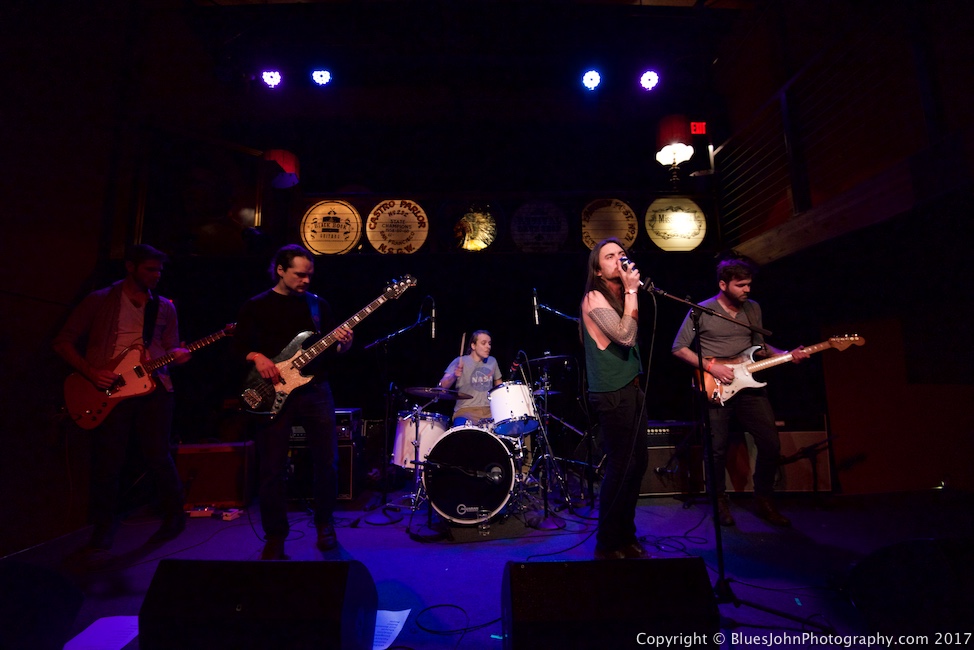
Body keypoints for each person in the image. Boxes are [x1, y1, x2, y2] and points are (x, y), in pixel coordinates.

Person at [53, 244, 190, 550]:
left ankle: (174, 516)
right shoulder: (99, 299)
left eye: (159, 271)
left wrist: (178, 356)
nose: (156, 276)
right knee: (109, 459)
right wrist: (91, 372)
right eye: (149, 269)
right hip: (110, 387)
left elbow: (170, 348)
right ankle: (102, 528)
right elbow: (63, 342)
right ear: (130, 267)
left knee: (158, 453)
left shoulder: (165, 306)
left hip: (153, 386)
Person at [233, 244, 353, 560]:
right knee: (272, 467)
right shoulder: (255, 306)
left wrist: (343, 345)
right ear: (281, 270)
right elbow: (238, 347)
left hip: (316, 390)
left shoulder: (318, 306)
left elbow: (330, 351)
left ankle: (325, 524)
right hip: (271, 392)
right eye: (300, 274)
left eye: (310, 275)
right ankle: (275, 535)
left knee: (327, 462)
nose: (306, 281)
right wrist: (257, 357)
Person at [671, 254, 808, 527]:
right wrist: (711, 367)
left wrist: (785, 354)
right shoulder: (701, 310)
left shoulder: (753, 308)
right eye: (741, 285)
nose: (747, 289)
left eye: (749, 284)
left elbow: (760, 348)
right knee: (717, 449)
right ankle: (719, 501)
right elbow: (679, 348)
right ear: (723, 284)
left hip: (750, 384)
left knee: (770, 443)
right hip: (717, 386)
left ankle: (763, 498)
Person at [580, 238, 649, 560]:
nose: (619, 260)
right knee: (621, 467)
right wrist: (633, 291)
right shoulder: (594, 297)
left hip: (630, 387)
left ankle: (625, 535)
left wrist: (630, 292)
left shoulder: (619, 296)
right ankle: (607, 543)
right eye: (610, 256)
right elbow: (625, 336)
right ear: (597, 268)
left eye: (622, 254)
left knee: (637, 465)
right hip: (611, 392)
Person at [438, 330, 502, 426]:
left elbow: (499, 387)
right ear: (473, 346)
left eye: (489, 343)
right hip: (465, 411)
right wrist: (454, 375)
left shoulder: (492, 361)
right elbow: (442, 386)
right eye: (483, 343)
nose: (488, 347)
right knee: (462, 434)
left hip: (489, 411)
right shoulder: (460, 361)